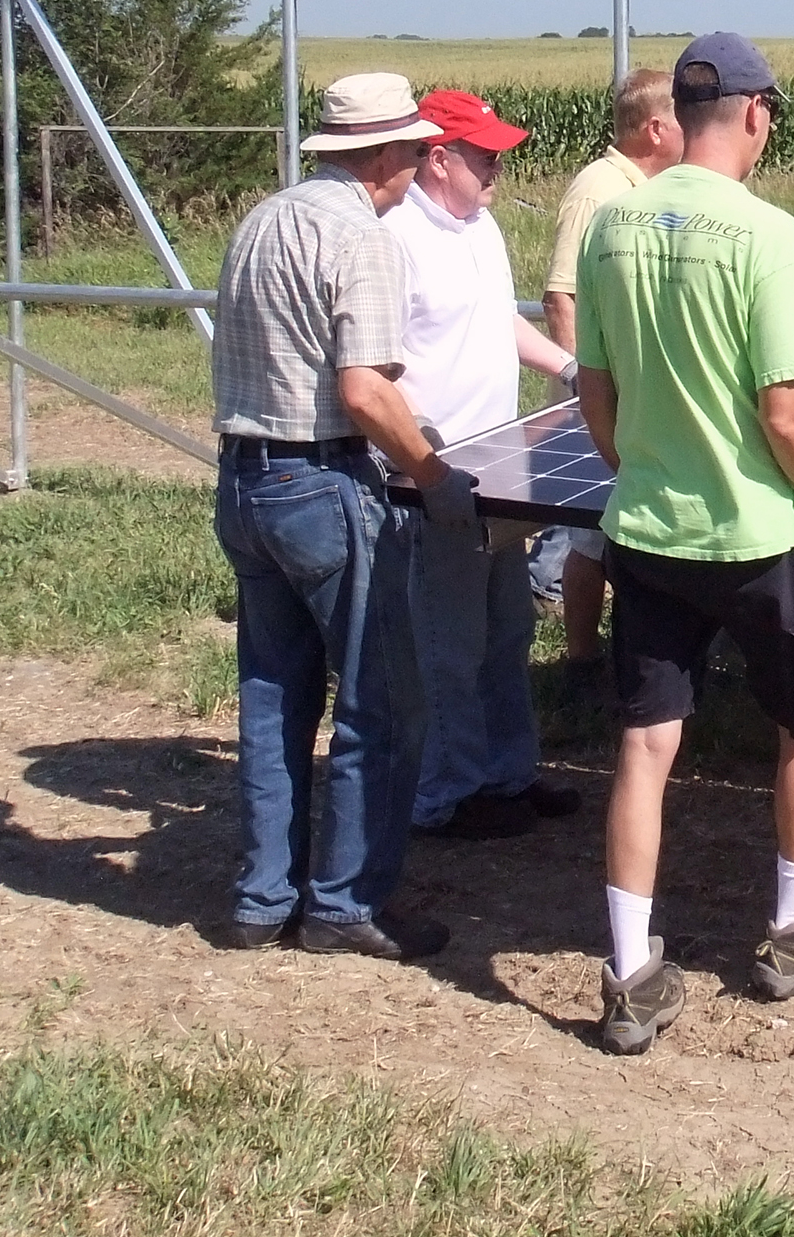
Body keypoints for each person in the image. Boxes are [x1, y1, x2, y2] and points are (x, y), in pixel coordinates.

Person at [573, 32, 794, 1056]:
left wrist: (638, 463)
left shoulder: (608, 225)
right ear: (758, 113)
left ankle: (631, 973)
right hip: (761, 537)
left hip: (647, 526)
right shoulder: (767, 236)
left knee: (643, 745)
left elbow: (594, 391)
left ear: (679, 111)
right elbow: (786, 413)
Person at [211, 72, 477, 962]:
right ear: (382, 156)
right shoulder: (361, 238)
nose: (416, 165)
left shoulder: (262, 219)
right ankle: (345, 901)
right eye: (411, 149)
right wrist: (434, 473)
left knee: (273, 694)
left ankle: (259, 898)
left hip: (245, 482)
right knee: (379, 702)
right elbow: (363, 390)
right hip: (320, 483)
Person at [385, 87, 589, 840]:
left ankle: (509, 773)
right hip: (435, 472)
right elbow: (382, 364)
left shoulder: (483, 227)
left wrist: (570, 371)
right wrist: (420, 456)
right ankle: (447, 793)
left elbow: (499, 322)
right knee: (448, 640)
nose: (499, 168)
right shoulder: (397, 237)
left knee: (507, 627)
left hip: (501, 463)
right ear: (439, 159)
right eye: (485, 155)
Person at [538, 67, 685, 694]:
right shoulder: (600, 190)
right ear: (655, 128)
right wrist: (587, 385)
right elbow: (561, 296)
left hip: (635, 394)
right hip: (601, 397)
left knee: (609, 531)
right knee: (592, 535)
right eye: (681, 117)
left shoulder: (650, 189)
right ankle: (580, 660)